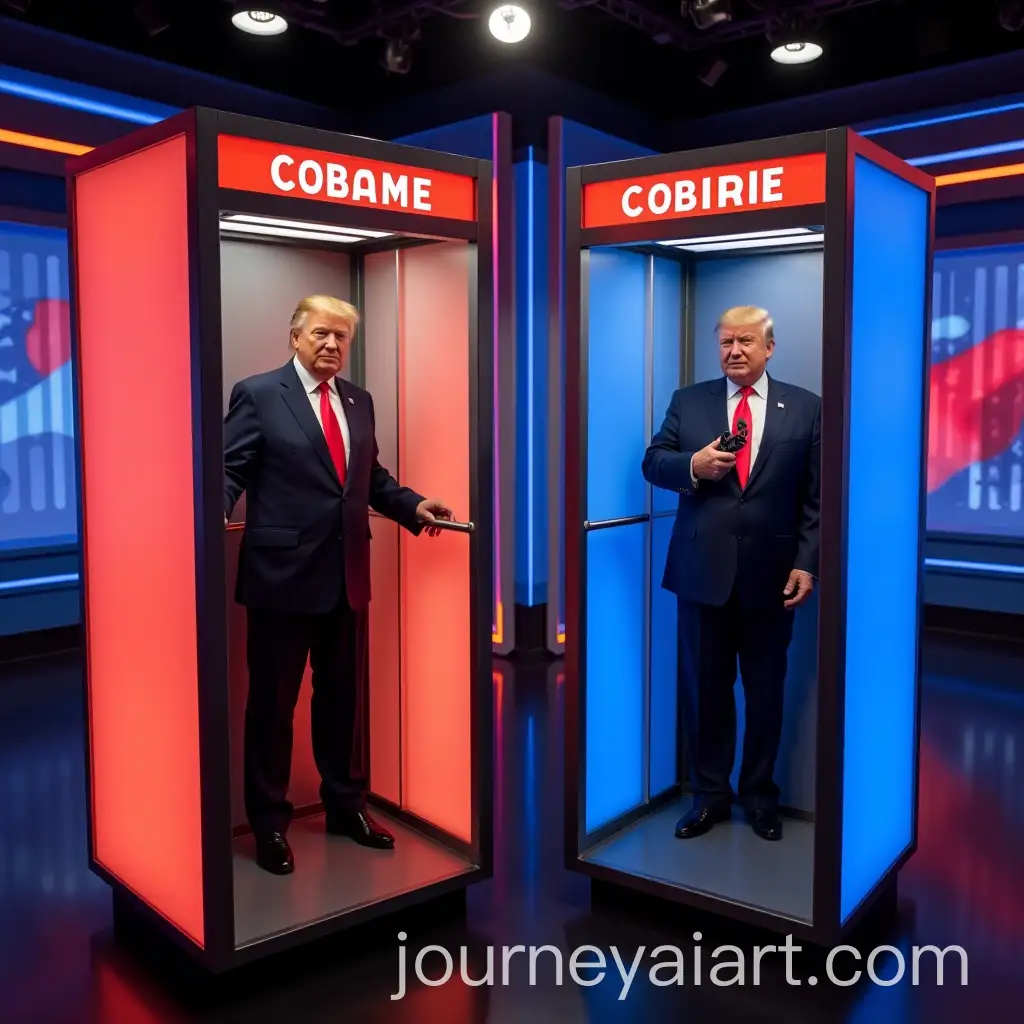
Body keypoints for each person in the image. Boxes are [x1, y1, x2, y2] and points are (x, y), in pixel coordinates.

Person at [223, 294, 452, 875]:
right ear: (294, 337)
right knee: (273, 709)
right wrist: (198, 522)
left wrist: (412, 505)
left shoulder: (358, 400)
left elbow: (368, 477)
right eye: (321, 334)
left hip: (346, 579)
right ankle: (269, 825)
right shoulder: (257, 394)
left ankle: (345, 808)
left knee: (342, 702)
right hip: (280, 582)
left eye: (341, 337)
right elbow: (229, 471)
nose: (331, 345)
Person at [642, 306, 820, 842]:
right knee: (705, 692)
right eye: (725, 342)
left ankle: (760, 797)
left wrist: (806, 562)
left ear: (769, 347)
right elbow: (653, 461)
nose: (734, 351)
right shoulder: (688, 401)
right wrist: (692, 467)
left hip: (772, 579)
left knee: (765, 694)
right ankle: (708, 797)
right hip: (701, 575)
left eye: (745, 341)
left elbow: (817, 499)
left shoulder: (805, 409)